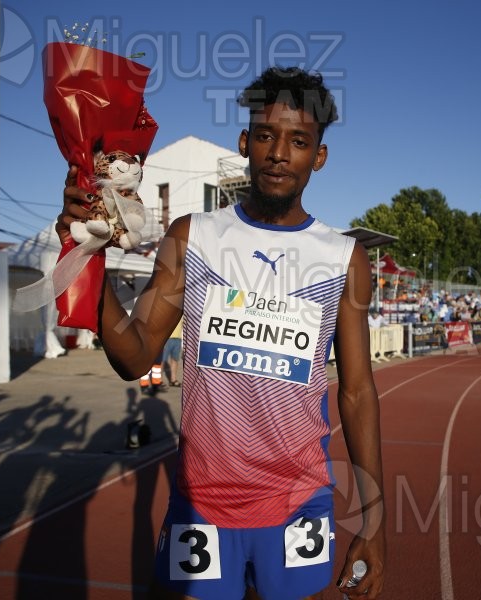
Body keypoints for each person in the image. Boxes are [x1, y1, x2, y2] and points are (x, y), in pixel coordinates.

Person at [57, 66, 385, 600]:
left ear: (318, 156)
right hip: (202, 504)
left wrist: (374, 524)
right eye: (265, 136)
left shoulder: (345, 260)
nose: (279, 153)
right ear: (245, 143)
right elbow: (135, 356)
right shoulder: (193, 236)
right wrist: (86, 256)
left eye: (298, 141)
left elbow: (357, 392)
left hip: (298, 502)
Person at [163, 319, 183, 386]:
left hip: (178, 339)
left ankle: (173, 380)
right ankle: (158, 381)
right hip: (166, 338)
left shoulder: (182, 313)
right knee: (162, 360)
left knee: (175, 360)